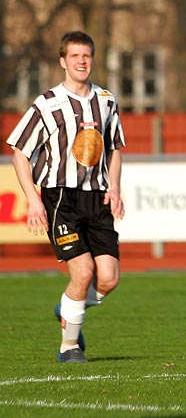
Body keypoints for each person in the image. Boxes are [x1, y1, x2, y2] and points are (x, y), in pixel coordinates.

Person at [6, 31, 125, 364]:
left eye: (86, 55)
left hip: (98, 198)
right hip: (61, 198)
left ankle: (68, 307)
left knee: (109, 278)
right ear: (63, 62)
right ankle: (68, 347)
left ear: (93, 58)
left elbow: (115, 148)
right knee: (83, 272)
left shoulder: (107, 100)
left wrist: (114, 188)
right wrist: (32, 199)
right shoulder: (48, 103)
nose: (81, 62)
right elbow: (18, 150)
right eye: (74, 56)